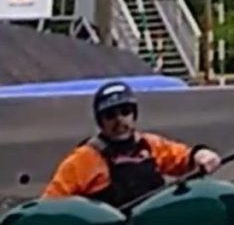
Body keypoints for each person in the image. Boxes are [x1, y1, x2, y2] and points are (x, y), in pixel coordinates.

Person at [41, 80, 222, 208]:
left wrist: (202, 155)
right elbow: (50, 205)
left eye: (125, 112)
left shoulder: (151, 145)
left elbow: (184, 158)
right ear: (100, 122)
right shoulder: (83, 160)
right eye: (110, 115)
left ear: (134, 115)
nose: (119, 121)